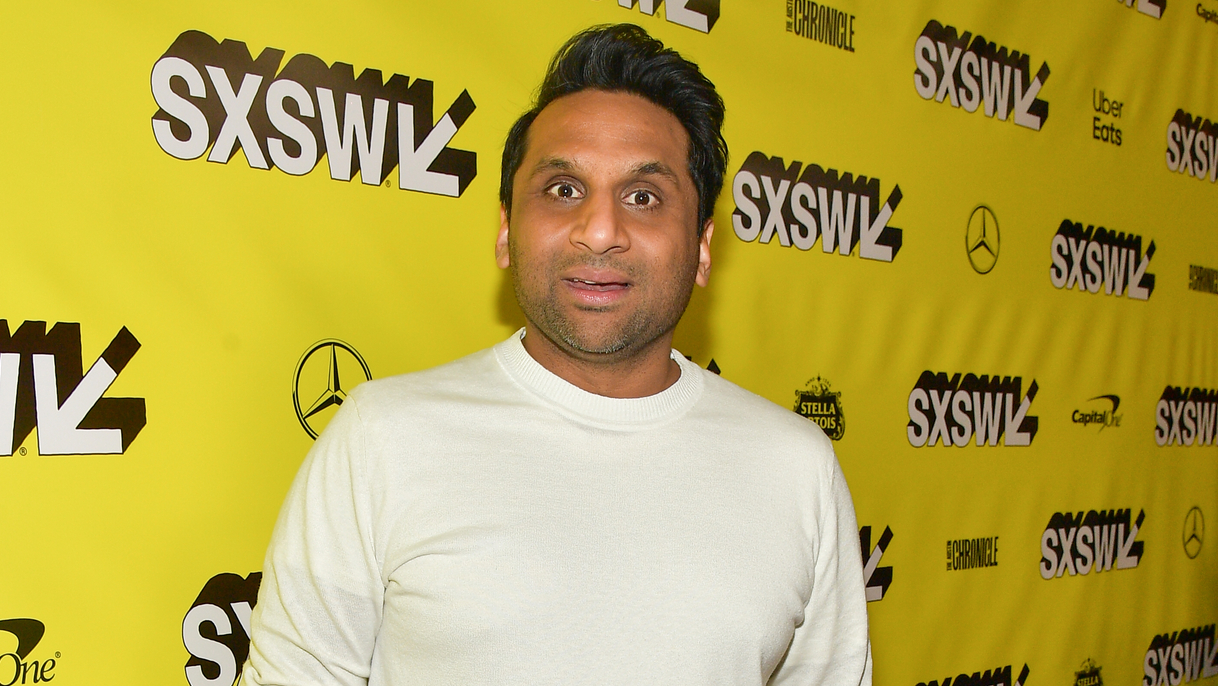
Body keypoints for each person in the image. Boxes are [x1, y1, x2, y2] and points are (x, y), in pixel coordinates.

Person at [243, 23, 872, 686]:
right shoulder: (381, 438)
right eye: (564, 189)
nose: (599, 231)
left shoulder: (796, 468)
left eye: (643, 197)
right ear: (506, 230)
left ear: (703, 247)